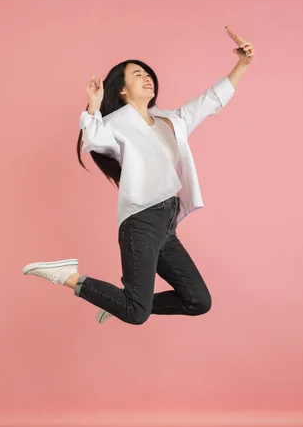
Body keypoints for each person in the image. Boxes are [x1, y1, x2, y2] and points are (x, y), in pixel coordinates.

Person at [23, 35, 255, 325]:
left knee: (198, 300)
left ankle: (119, 301)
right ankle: (68, 275)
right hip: (142, 221)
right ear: (121, 89)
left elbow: (210, 101)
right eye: (137, 74)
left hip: (166, 225)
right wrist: (93, 106)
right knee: (137, 313)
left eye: (148, 74)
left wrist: (243, 64)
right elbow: (93, 139)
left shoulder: (171, 121)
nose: (147, 78)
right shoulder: (116, 123)